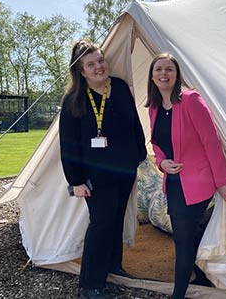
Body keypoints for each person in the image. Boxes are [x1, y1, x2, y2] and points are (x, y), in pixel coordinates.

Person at [59, 39, 146, 299]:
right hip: (96, 176)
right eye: (91, 64)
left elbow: (134, 125)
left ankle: (112, 266)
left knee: (116, 219)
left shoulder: (118, 86)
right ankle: (90, 285)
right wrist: (76, 181)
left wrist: (139, 154)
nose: (99, 67)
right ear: (81, 71)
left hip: (124, 170)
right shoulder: (74, 100)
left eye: (100, 60)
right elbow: (69, 145)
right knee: (101, 222)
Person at [146, 53, 226, 299]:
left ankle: (178, 293)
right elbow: (156, 145)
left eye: (169, 69)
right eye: (158, 70)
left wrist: (223, 181)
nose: (164, 74)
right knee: (188, 232)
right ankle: (202, 276)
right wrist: (162, 162)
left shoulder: (192, 100)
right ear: (152, 76)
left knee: (183, 240)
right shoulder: (153, 108)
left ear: (177, 74)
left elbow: (212, 142)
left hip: (198, 182)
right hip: (173, 182)